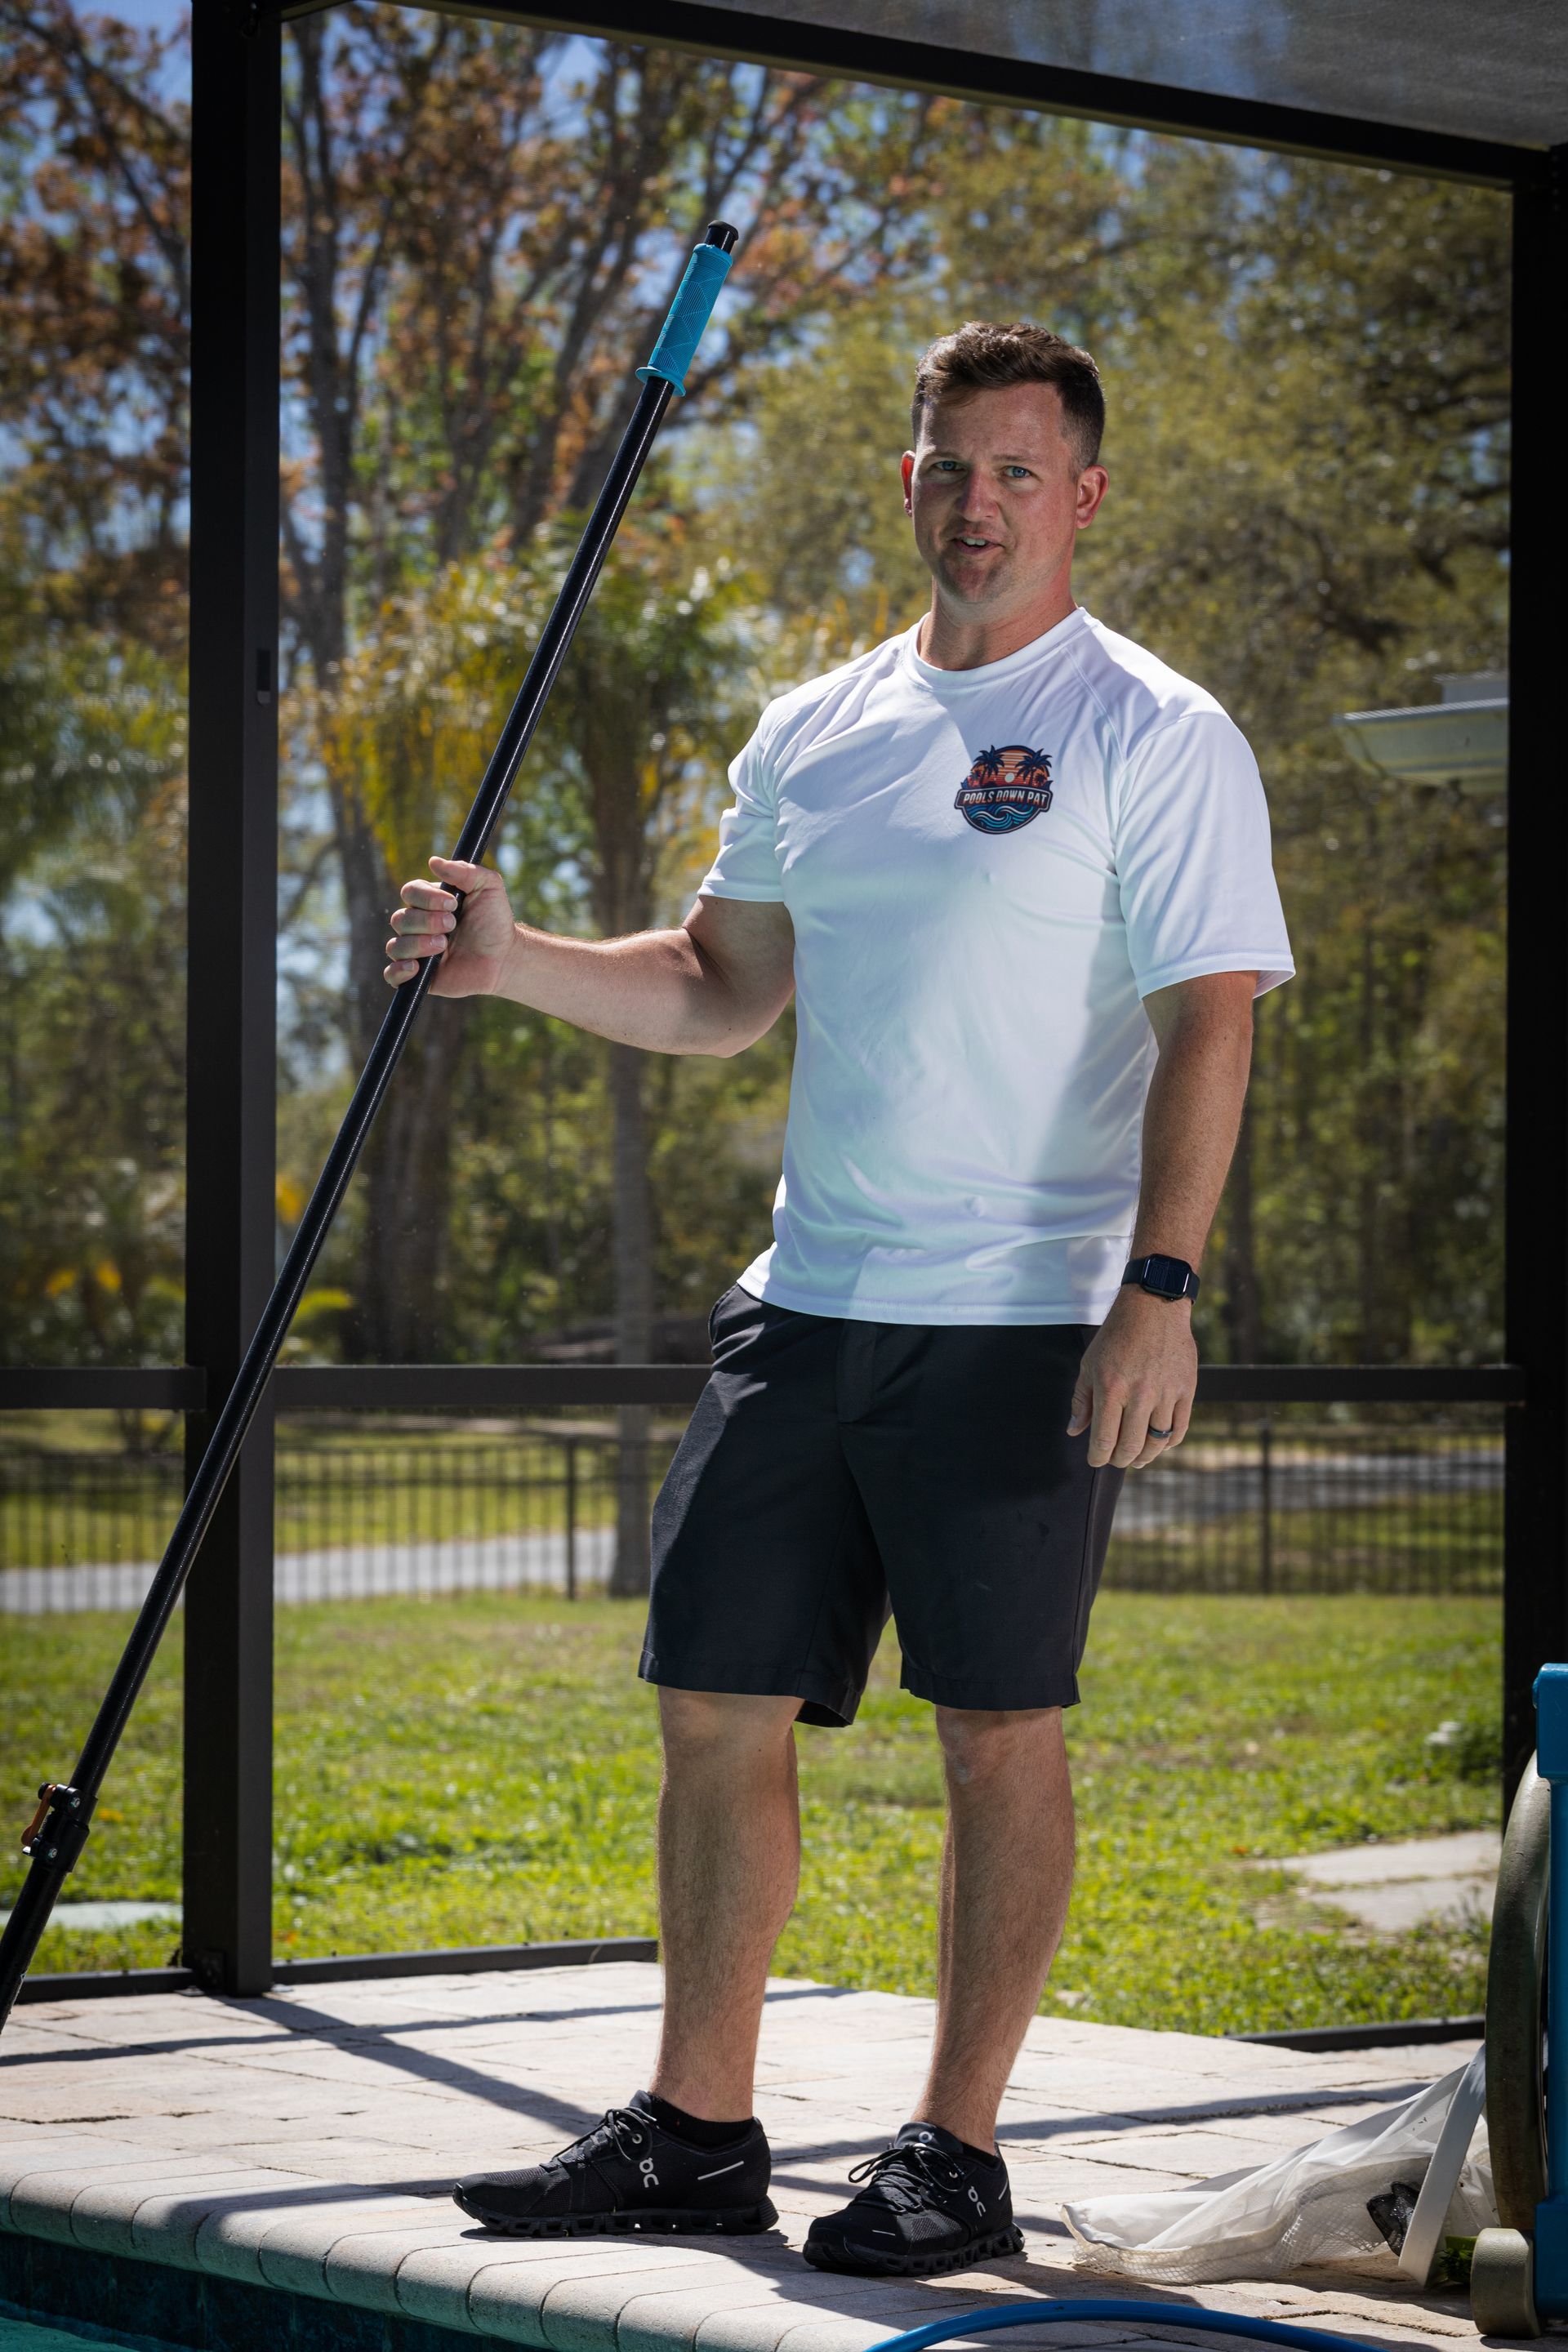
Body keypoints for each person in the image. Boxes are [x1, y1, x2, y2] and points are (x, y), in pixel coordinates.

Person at [384, 322, 1293, 2274]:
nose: (981, 504)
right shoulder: (817, 727)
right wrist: (514, 960)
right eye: (952, 466)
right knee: (713, 1706)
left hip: (1028, 1311)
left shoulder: (1155, 727)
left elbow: (1210, 1021)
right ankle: (698, 2130)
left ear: (1084, 495)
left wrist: (1160, 1284)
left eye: (1020, 471)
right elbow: (722, 989)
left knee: (996, 1730)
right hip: (806, 1301)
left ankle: (955, 2154)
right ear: (909, 481)